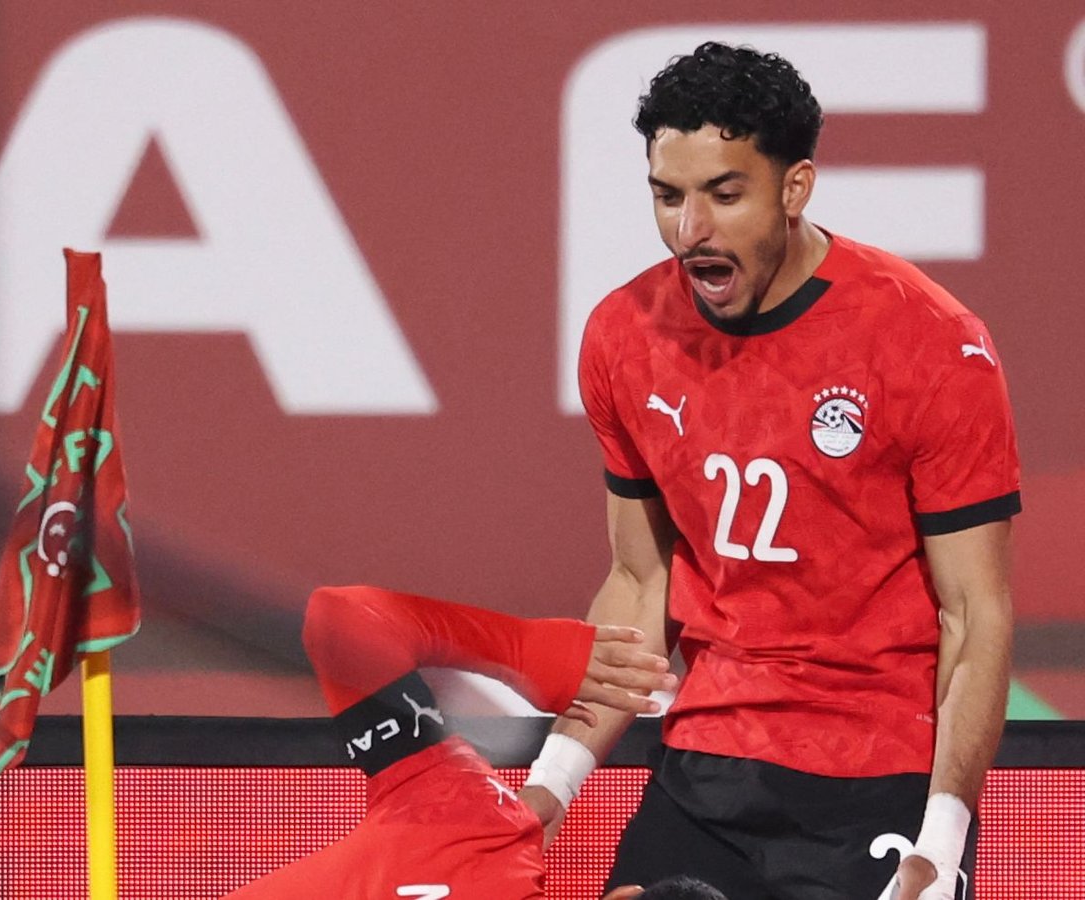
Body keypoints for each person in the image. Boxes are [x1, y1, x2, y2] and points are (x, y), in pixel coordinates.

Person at [522, 41, 1020, 900]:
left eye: (724, 194)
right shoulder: (622, 335)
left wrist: (943, 842)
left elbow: (975, 615)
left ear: (794, 188)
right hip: (705, 769)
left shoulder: (931, 342)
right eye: (667, 196)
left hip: (876, 776)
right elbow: (642, 581)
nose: (690, 231)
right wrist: (552, 779)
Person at [225, 584, 679, 899]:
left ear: (624, 896)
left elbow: (343, 618)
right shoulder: (481, 830)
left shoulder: (476, 831)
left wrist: (524, 649)